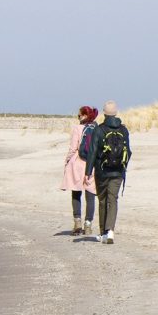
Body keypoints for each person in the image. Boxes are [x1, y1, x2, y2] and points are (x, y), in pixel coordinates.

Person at [84, 100, 132, 244]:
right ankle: (110, 231)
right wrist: (123, 166)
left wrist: (88, 172)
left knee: (103, 201)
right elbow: (128, 151)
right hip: (118, 172)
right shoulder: (124, 130)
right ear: (116, 113)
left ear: (104, 114)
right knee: (113, 199)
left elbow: (92, 152)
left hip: (102, 171)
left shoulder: (99, 130)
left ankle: (103, 232)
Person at [60, 105, 98, 235]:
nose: (78, 118)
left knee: (76, 193)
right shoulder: (97, 128)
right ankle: (88, 225)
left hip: (77, 163)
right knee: (90, 195)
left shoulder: (77, 128)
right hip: (91, 164)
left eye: (79, 115)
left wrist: (66, 162)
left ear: (84, 116)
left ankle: (77, 223)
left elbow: (73, 148)